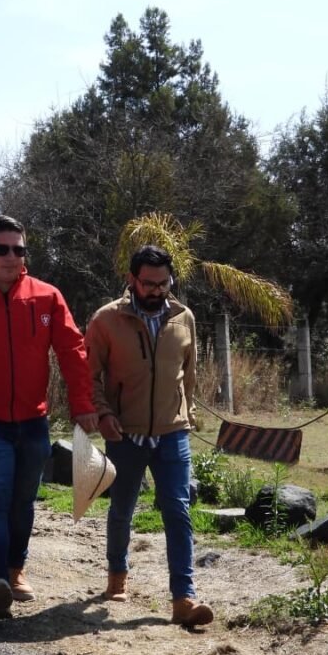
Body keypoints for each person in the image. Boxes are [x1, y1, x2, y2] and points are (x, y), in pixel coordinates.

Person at [0, 215, 98, 619]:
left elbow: (73, 351)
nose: (12, 257)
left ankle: (15, 568)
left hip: (32, 420)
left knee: (23, 501)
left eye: (19, 249)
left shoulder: (46, 297)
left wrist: (82, 404)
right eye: (3, 249)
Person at [85, 244, 214, 627]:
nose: (157, 291)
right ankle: (117, 574)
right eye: (149, 284)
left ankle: (183, 599)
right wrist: (104, 414)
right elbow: (89, 376)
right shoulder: (106, 320)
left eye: (163, 283)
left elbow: (189, 374)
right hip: (125, 433)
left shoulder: (184, 318)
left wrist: (187, 413)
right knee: (122, 509)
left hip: (173, 433)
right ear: (132, 280)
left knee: (177, 510)